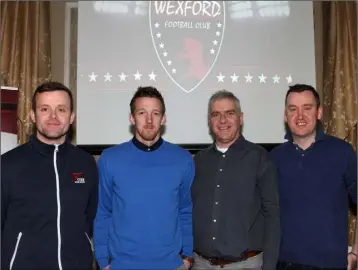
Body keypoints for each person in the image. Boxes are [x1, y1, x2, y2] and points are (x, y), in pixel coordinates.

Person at [93, 86, 195, 270]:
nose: (149, 120)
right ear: (132, 118)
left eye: (155, 113)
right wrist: (103, 261)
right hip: (121, 265)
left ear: (163, 118)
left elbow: (185, 210)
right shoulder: (110, 158)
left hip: (171, 265)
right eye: (142, 113)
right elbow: (103, 211)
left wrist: (187, 255)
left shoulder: (183, 159)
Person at [1, 82, 99, 270]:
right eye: (44, 109)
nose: (53, 116)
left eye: (61, 109)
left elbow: (90, 217)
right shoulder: (7, 165)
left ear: (71, 117)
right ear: (32, 115)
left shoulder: (86, 163)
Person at [270, 84, 357, 270]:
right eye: (293, 109)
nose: (299, 116)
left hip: (331, 264)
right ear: (286, 116)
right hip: (284, 264)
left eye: (307, 108)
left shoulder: (342, 152)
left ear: (319, 112)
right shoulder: (273, 158)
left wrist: (356, 252)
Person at [191, 90, 280, 270]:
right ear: (209, 121)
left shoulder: (259, 158)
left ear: (241, 117)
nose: (223, 120)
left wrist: (270, 266)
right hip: (201, 264)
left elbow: (273, 215)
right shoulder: (199, 161)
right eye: (216, 114)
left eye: (229, 113)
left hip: (246, 265)